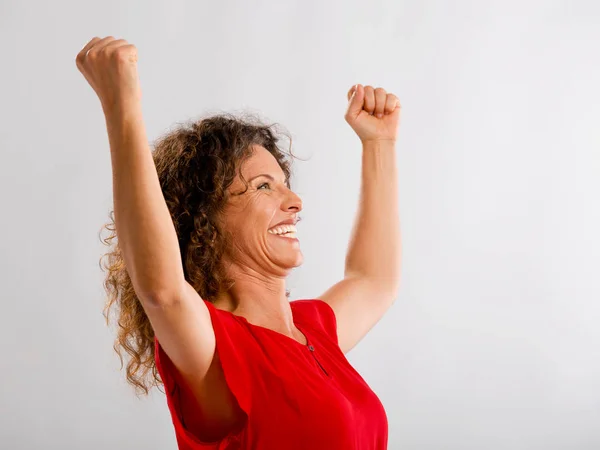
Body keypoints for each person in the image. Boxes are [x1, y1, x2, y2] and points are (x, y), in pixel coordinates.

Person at [77, 36, 402, 449]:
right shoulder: (217, 347)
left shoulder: (314, 332)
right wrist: (121, 105)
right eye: (263, 187)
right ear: (204, 218)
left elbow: (375, 279)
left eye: (285, 185)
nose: (295, 202)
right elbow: (162, 292)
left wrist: (379, 145)